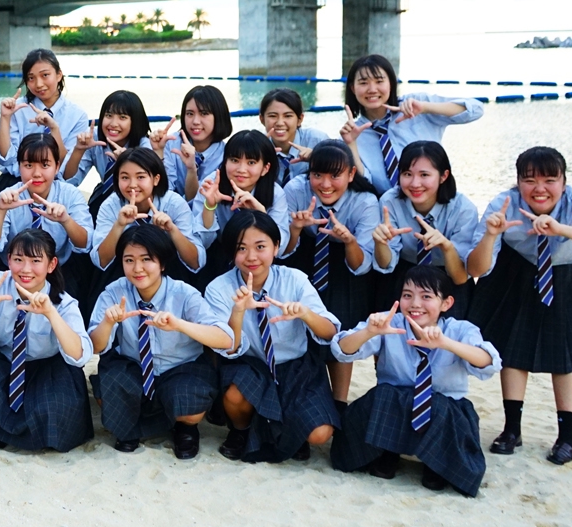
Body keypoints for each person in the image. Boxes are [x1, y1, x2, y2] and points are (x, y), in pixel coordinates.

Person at [466, 147, 572, 466]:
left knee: (567, 357)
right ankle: (511, 429)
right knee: (511, 350)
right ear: (517, 183)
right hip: (515, 268)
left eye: (549, 179)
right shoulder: (504, 204)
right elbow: (475, 269)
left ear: (564, 182)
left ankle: (566, 437)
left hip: (571, 269)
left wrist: (561, 229)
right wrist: (490, 235)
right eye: (529, 180)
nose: (539, 188)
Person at [330, 267, 501, 496]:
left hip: (442, 413)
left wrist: (446, 344)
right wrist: (369, 332)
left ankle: (435, 463)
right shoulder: (390, 323)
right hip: (391, 409)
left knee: (442, 406)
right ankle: (387, 452)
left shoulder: (460, 329)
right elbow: (342, 350)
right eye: (407, 295)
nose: (415, 303)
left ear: (446, 303)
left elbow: (488, 362)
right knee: (386, 395)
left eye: (426, 296)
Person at [205, 211, 341, 463]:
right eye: (241, 248)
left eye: (260, 246)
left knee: (321, 434)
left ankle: (290, 432)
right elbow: (229, 347)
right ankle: (240, 431)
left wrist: (305, 314)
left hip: (296, 366)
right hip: (250, 363)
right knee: (235, 395)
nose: (251, 257)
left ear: (276, 247)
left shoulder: (295, 279)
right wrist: (237, 311)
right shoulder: (219, 288)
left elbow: (330, 333)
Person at [88, 224, 231, 459]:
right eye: (129, 260)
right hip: (133, 363)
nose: (137, 268)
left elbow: (225, 339)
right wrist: (108, 323)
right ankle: (128, 430)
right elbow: (94, 347)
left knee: (189, 402)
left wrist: (179, 325)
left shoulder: (184, 294)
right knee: (110, 388)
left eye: (147, 259)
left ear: (162, 263)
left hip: (180, 367)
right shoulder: (114, 292)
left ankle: (185, 428)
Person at [0, 230, 94, 452]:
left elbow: (80, 356)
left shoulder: (63, 302)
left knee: (56, 406)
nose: (25, 269)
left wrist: (51, 313)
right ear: (8, 259)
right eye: (18, 259)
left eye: (35, 261)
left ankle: (11, 432)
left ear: (51, 265)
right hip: (5, 361)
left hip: (46, 366)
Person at [280, 141, 380, 407]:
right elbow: (283, 251)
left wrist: (349, 241)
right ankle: (307, 395)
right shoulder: (294, 190)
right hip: (303, 254)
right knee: (301, 326)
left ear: (350, 174)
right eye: (317, 175)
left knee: (341, 323)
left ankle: (339, 400)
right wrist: (296, 229)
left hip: (347, 262)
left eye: (335, 175)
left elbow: (362, 265)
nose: (325, 184)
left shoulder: (366, 201)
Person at [0, 132, 96, 316]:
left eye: (45, 165)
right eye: (28, 165)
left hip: (58, 272)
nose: (36, 173)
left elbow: (85, 244)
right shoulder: (8, 196)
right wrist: (0, 211)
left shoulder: (70, 194)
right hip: (13, 272)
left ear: (57, 166)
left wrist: (66, 220)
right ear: (19, 167)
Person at [339, 54, 484, 194]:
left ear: (391, 82)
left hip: (435, 201)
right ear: (353, 88)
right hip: (391, 209)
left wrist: (426, 108)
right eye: (363, 83)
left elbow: (476, 109)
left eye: (379, 81)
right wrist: (351, 144)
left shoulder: (417, 104)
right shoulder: (352, 134)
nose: (372, 89)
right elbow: (365, 183)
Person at [370, 141, 483, 317]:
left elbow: (460, 277)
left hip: (448, 278)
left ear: (444, 176)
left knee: (449, 340)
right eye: (407, 174)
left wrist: (447, 247)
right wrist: (380, 243)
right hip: (403, 276)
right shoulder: (390, 202)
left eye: (424, 175)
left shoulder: (463, 209)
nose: (415, 183)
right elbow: (386, 264)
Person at [91, 147, 205, 300]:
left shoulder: (174, 203)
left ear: (156, 179)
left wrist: (172, 230)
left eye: (140, 177)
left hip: (168, 271)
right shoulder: (110, 205)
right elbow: (101, 262)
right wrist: (119, 226)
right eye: (124, 177)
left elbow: (197, 262)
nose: (132, 184)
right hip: (124, 271)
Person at [194, 129, 291, 279]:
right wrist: (209, 206)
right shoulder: (211, 184)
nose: (241, 169)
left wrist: (262, 215)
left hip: (258, 259)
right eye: (234, 160)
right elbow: (203, 243)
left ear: (265, 168)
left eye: (251, 162)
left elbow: (281, 248)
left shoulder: (275, 193)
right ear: (225, 161)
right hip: (217, 256)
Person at [0, 48, 88, 194]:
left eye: (45, 75)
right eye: (31, 78)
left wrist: (54, 129)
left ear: (58, 75)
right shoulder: (16, 108)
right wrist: (5, 118)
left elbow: (66, 167)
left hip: (54, 188)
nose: (38, 84)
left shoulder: (77, 116)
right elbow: (7, 158)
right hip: (14, 184)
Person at [64, 89, 151, 217]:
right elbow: (68, 181)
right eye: (109, 115)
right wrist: (78, 150)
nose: (113, 124)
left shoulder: (143, 145)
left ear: (135, 121)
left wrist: (127, 162)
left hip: (136, 202)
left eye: (122, 117)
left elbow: (151, 187)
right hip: (104, 201)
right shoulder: (94, 139)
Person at [159, 84, 233, 200]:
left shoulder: (228, 154)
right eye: (190, 114)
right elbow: (163, 192)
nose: (195, 121)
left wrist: (191, 169)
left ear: (219, 116)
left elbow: (198, 201)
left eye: (204, 113)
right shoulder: (170, 144)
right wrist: (158, 152)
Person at [259, 89, 329, 187]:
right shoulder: (256, 147)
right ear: (262, 119)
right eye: (272, 116)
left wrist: (317, 158)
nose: (279, 123)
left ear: (300, 119)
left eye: (287, 116)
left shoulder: (318, 140)